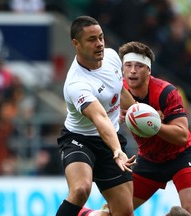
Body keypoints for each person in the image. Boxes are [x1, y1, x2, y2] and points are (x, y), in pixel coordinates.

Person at [79, 41, 191, 216]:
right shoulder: (116, 91)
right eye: (128, 65)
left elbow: (182, 136)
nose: (133, 70)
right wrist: (117, 119)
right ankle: (80, 214)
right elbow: (98, 121)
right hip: (149, 160)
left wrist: (153, 124)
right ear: (122, 69)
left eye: (139, 66)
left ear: (148, 70)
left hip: (181, 156)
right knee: (113, 212)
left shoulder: (166, 92)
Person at [55, 16, 136, 216]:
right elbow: (100, 118)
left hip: (110, 140)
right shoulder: (76, 84)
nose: (99, 44)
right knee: (81, 189)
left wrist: (137, 111)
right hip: (79, 140)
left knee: (123, 213)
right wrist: (117, 150)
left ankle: (88, 214)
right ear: (76, 44)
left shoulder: (111, 57)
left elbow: (119, 89)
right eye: (92, 39)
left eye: (101, 37)